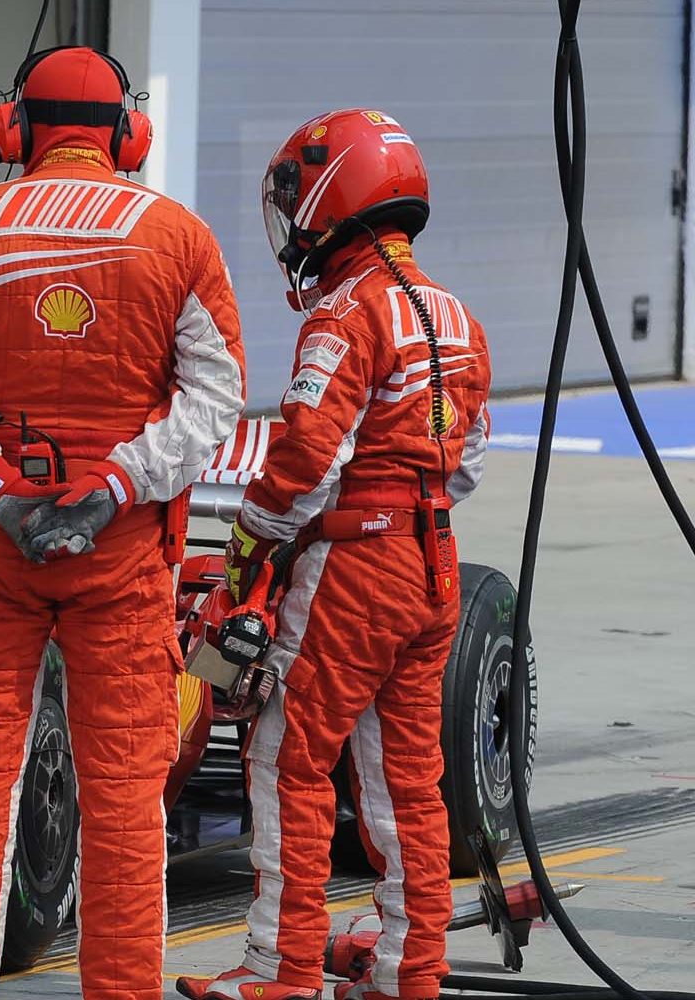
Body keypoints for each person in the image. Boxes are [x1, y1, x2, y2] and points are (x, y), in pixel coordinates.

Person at [0, 46, 246, 1000]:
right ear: (129, 134)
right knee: (123, 796)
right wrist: (117, 487)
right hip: (120, 547)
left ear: (13, 130)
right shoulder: (179, 237)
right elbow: (216, 397)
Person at [176, 109, 491, 1000]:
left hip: (356, 570)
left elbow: (307, 463)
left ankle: (278, 974)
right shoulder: (458, 315)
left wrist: (250, 546)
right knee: (407, 789)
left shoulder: (345, 314)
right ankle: (408, 975)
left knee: (287, 758)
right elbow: (466, 463)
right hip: (434, 568)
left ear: (332, 192)